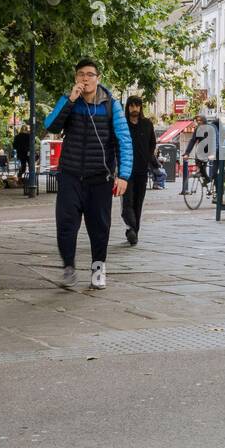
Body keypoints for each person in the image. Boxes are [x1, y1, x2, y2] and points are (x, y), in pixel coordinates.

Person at [43, 58, 132, 290]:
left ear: (98, 78)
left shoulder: (111, 105)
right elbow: (51, 125)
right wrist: (70, 100)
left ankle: (98, 268)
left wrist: (123, 175)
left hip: (99, 179)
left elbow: (124, 140)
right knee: (66, 225)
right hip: (70, 176)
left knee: (99, 227)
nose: (85, 78)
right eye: (81, 74)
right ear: (76, 78)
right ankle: (68, 267)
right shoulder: (69, 102)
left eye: (90, 74)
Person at [121, 96, 155, 246]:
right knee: (127, 201)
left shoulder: (147, 124)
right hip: (126, 171)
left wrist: (147, 158)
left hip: (142, 170)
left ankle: (133, 231)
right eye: (132, 106)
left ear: (141, 108)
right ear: (127, 107)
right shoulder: (122, 125)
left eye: (137, 106)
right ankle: (131, 228)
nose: (135, 109)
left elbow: (152, 144)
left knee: (138, 202)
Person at [183, 114, 220, 190]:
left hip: (213, 149)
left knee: (215, 172)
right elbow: (193, 141)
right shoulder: (197, 129)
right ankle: (207, 179)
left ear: (204, 121)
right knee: (200, 165)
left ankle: (217, 190)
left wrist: (213, 153)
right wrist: (187, 153)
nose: (198, 122)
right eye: (197, 121)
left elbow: (214, 141)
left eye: (200, 120)